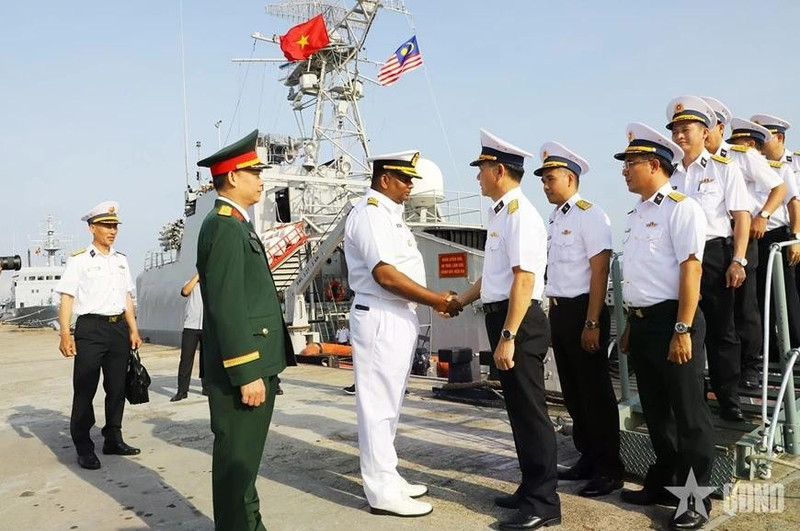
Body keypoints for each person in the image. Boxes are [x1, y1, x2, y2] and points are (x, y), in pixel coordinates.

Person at [344, 149, 461, 518]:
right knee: (377, 406)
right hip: (381, 314)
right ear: (384, 179)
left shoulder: (390, 215)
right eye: (405, 178)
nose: (411, 185)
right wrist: (436, 299)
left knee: (390, 405)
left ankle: (388, 475)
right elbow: (386, 275)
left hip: (396, 315)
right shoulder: (371, 214)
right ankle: (380, 491)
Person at [453, 130, 560, 530]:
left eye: (481, 169)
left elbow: (524, 280)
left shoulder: (521, 216)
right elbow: (493, 277)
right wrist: (461, 300)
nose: (477, 177)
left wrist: (509, 336)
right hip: (503, 317)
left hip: (521, 322)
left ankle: (543, 505)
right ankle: (529, 487)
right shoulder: (500, 213)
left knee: (532, 414)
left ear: (498, 170)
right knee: (517, 411)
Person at [615, 123, 715, 530]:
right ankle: (664, 480)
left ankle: (694, 500)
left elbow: (691, 270)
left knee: (689, 415)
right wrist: (627, 327)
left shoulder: (682, 207)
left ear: (654, 164)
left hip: (675, 320)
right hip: (642, 324)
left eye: (630, 163)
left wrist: (682, 328)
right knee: (657, 411)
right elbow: (639, 277)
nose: (624, 171)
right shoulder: (637, 214)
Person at [196, 129, 297, 531]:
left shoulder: (237, 224)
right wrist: (246, 372)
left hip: (253, 365)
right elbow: (226, 306)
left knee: (245, 463)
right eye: (254, 171)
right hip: (244, 370)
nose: (261, 178)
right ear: (233, 177)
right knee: (237, 465)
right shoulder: (223, 226)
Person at [536, 141, 624, 497]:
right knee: (573, 392)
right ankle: (588, 457)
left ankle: (609, 468)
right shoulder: (557, 218)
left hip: (584, 310)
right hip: (560, 310)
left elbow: (599, 269)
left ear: (570, 178)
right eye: (542, 179)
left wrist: (592, 322)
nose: (544, 185)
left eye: (550, 178)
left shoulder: (591, 214)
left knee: (596, 393)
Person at [666, 96, 752, 422]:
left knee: (722, 330)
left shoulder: (723, 168)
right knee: (684, 326)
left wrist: (738, 260)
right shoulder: (669, 174)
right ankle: (692, 399)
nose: (679, 137)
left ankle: (729, 399)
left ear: (705, 132)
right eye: (675, 130)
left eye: (686, 129)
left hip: (714, 254)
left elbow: (741, 217)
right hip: (678, 259)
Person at [702, 98, 786, 389]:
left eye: (706, 127)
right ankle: (725, 370)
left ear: (720, 128)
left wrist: (763, 214)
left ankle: (750, 366)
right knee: (717, 312)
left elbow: (779, 187)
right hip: (712, 245)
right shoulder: (696, 166)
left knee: (745, 307)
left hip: (743, 238)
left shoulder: (742, 156)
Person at [56, 201, 142, 470]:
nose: (112, 230)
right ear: (93, 228)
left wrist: (133, 329)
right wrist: (64, 334)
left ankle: (113, 438)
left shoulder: (121, 261)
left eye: (115, 225)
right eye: (106, 225)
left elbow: (127, 297)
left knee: (116, 388)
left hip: (118, 329)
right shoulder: (79, 260)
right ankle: (83, 445)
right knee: (85, 388)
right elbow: (67, 298)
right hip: (90, 330)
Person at [730, 117, 800, 358]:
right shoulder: (736, 171)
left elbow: (793, 204)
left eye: (740, 144)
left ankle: (796, 347)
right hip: (750, 237)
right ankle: (767, 353)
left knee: (787, 296)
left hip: (777, 236)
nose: (736, 149)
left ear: (752, 144)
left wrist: (795, 237)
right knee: (758, 299)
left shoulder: (781, 169)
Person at [171, 272, 207, 402]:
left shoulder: (213, 281)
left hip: (208, 326)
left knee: (206, 359)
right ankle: (182, 391)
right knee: (186, 359)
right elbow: (185, 292)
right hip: (190, 326)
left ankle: (206, 387)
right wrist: (198, 275)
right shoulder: (190, 282)